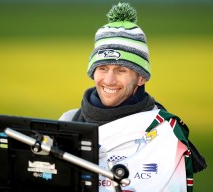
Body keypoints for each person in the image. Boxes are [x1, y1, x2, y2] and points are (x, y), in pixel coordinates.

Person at [59, 2, 206, 192]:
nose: (109, 80)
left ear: (141, 77)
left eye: (121, 70)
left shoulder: (164, 131)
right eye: (102, 68)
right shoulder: (68, 120)